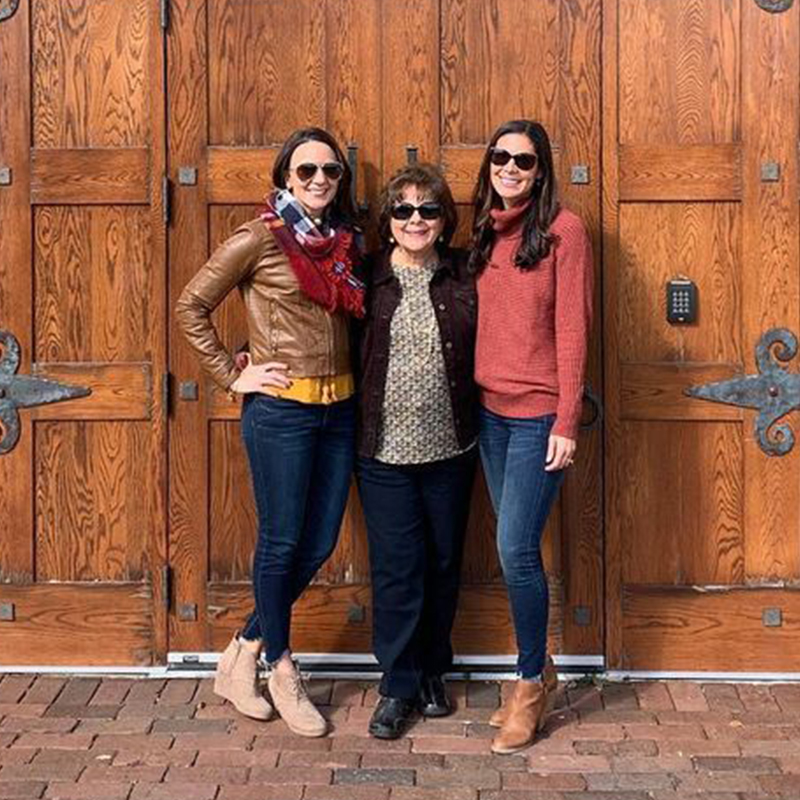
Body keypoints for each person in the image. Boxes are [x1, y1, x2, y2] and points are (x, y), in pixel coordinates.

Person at [176, 127, 364, 737]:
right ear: (286, 177)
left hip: (338, 409)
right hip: (281, 413)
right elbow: (190, 305)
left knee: (319, 542)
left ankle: (244, 649)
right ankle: (281, 668)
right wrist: (235, 376)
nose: (318, 181)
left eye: (330, 172)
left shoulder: (347, 244)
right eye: (306, 171)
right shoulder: (261, 238)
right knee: (282, 542)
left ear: (341, 180)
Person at [470, 120, 593, 753]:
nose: (511, 167)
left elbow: (573, 330)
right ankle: (536, 669)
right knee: (509, 544)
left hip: (538, 416)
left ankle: (527, 683)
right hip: (488, 412)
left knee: (516, 548)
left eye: (523, 159)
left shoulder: (563, 232)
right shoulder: (484, 229)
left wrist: (567, 421)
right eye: (501, 157)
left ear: (541, 169)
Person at [354, 163, 478, 740]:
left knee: (444, 563)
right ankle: (398, 685)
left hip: (452, 446)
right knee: (398, 570)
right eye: (402, 210)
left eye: (427, 210)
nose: (415, 220)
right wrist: (248, 361)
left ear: (444, 219)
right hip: (383, 453)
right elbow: (308, 323)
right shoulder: (365, 277)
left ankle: (433, 670)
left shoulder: (464, 275)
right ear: (387, 220)